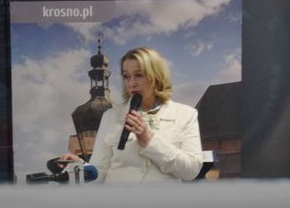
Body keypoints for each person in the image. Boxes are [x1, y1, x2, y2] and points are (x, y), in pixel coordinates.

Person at [61, 46, 203, 183]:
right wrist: (81, 168)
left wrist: (149, 141)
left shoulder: (186, 114)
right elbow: (100, 170)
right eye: (126, 76)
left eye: (138, 75)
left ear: (157, 76)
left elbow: (191, 171)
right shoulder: (110, 116)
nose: (131, 83)